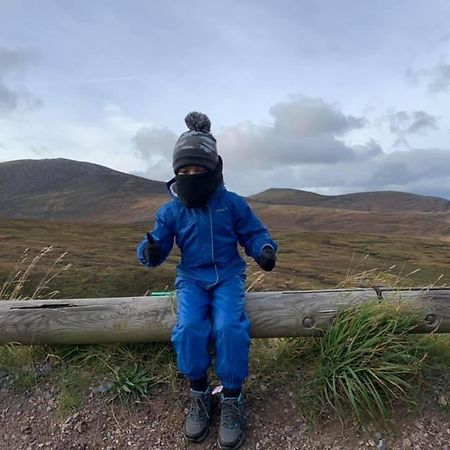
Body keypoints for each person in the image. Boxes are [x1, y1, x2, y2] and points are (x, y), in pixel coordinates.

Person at [136, 111, 277, 449]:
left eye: (199, 169)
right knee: (189, 328)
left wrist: (264, 249)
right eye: (184, 170)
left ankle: (232, 398)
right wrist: (151, 251)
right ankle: (199, 393)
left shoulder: (232, 204)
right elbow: (158, 240)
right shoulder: (171, 211)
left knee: (229, 327)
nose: (192, 175)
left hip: (228, 275)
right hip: (192, 279)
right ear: (175, 172)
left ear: (214, 168)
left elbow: (254, 233)